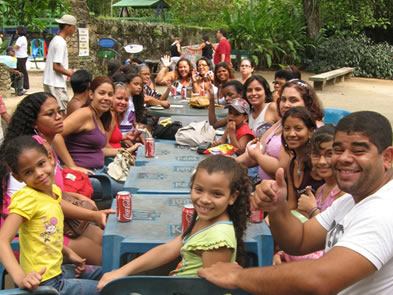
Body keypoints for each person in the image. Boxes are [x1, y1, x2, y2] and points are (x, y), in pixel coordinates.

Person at [199, 111, 393, 295]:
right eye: (338, 150)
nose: (343, 158)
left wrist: (238, 276)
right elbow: (299, 240)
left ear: (387, 158)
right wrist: (277, 207)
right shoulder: (353, 200)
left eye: (358, 151)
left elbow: (320, 279)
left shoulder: (382, 210)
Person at [97, 155, 251, 291]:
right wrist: (123, 271)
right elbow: (170, 247)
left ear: (232, 197)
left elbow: (210, 290)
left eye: (217, 194)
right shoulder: (206, 218)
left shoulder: (218, 239)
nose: (204, 199)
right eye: (199, 190)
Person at [0, 92, 114, 265]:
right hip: (28, 233)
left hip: (49, 220)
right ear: (34, 122)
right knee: (108, 257)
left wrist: (75, 196)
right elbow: (46, 201)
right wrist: (94, 215)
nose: (59, 117)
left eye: (59, 111)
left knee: (109, 241)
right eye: (50, 114)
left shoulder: (43, 144)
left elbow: (52, 194)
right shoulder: (31, 154)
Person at [0, 136, 102, 293]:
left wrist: (68, 252)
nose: (39, 173)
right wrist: (20, 277)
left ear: (50, 158)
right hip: (44, 282)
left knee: (110, 274)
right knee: (109, 288)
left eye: (41, 164)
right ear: (18, 177)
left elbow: (44, 234)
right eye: (28, 172)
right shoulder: (27, 199)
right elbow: (2, 241)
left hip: (57, 271)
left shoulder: (52, 192)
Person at [237, 79, 324, 182]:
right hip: (262, 184)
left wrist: (257, 156)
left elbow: (284, 170)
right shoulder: (281, 122)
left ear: (307, 103)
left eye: (293, 100)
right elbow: (260, 148)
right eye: (283, 99)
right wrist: (231, 163)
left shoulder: (310, 129)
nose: (286, 104)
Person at [281, 107, 323, 210]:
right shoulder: (291, 164)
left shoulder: (316, 163)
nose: (291, 134)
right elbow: (291, 204)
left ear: (310, 132)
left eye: (298, 129)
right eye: (287, 129)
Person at [43, 14, 77, 113]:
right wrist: (72, 74)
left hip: (50, 81)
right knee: (61, 112)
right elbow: (56, 66)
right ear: (67, 27)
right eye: (73, 27)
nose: (74, 30)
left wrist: (67, 71)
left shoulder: (55, 40)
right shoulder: (61, 43)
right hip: (56, 83)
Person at [13, 26, 29, 92]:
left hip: (21, 57)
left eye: (17, 31)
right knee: (19, 71)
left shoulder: (21, 38)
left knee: (22, 71)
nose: (16, 32)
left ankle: (25, 86)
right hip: (21, 56)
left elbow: (16, 47)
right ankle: (18, 86)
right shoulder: (23, 38)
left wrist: (13, 47)